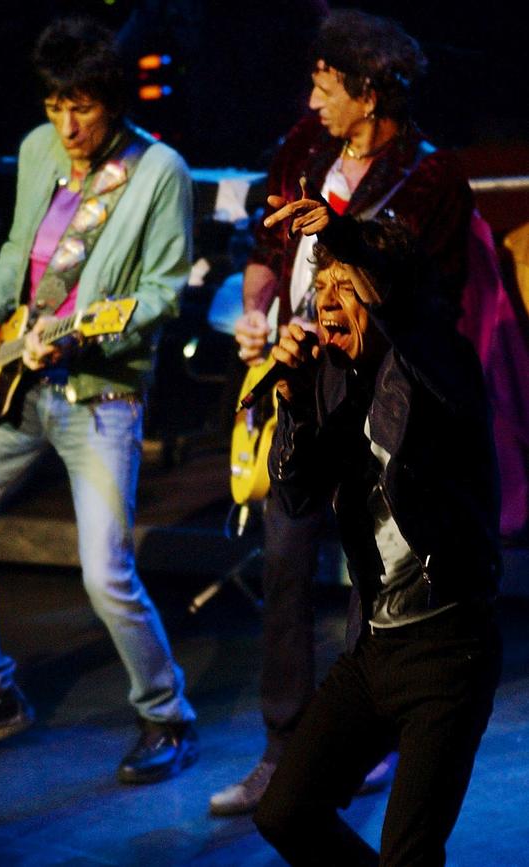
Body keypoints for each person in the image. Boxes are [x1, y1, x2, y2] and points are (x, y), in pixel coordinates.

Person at [0, 16, 198, 784]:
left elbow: (164, 293)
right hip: (17, 383)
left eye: (84, 108)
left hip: (99, 395)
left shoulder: (158, 170)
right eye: (54, 106)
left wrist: (80, 337)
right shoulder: (38, 151)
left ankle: (166, 713)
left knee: (103, 571)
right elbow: (16, 253)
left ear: (113, 100)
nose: (67, 125)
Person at [210, 8, 475, 815]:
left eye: (326, 86)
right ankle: (282, 746)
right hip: (299, 383)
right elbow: (264, 251)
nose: (313, 98)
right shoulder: (303, 148)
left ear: (368, 91)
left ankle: (370, 741)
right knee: (285, 562)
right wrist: (254, 315)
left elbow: (426, 300)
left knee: (375, 577)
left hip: (380, 401)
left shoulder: (430, 179)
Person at [254, 211, 502, 865]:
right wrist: (297, 397)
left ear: (383, 291)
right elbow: (298, 493)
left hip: (449, 651)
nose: (326, 301)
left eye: (343, 284)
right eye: (320, 285)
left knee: (409, 851)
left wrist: (343, 234)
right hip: (377, 649)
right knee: (284, 814)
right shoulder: (346, 383)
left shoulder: (439, 362)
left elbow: (405, 313)